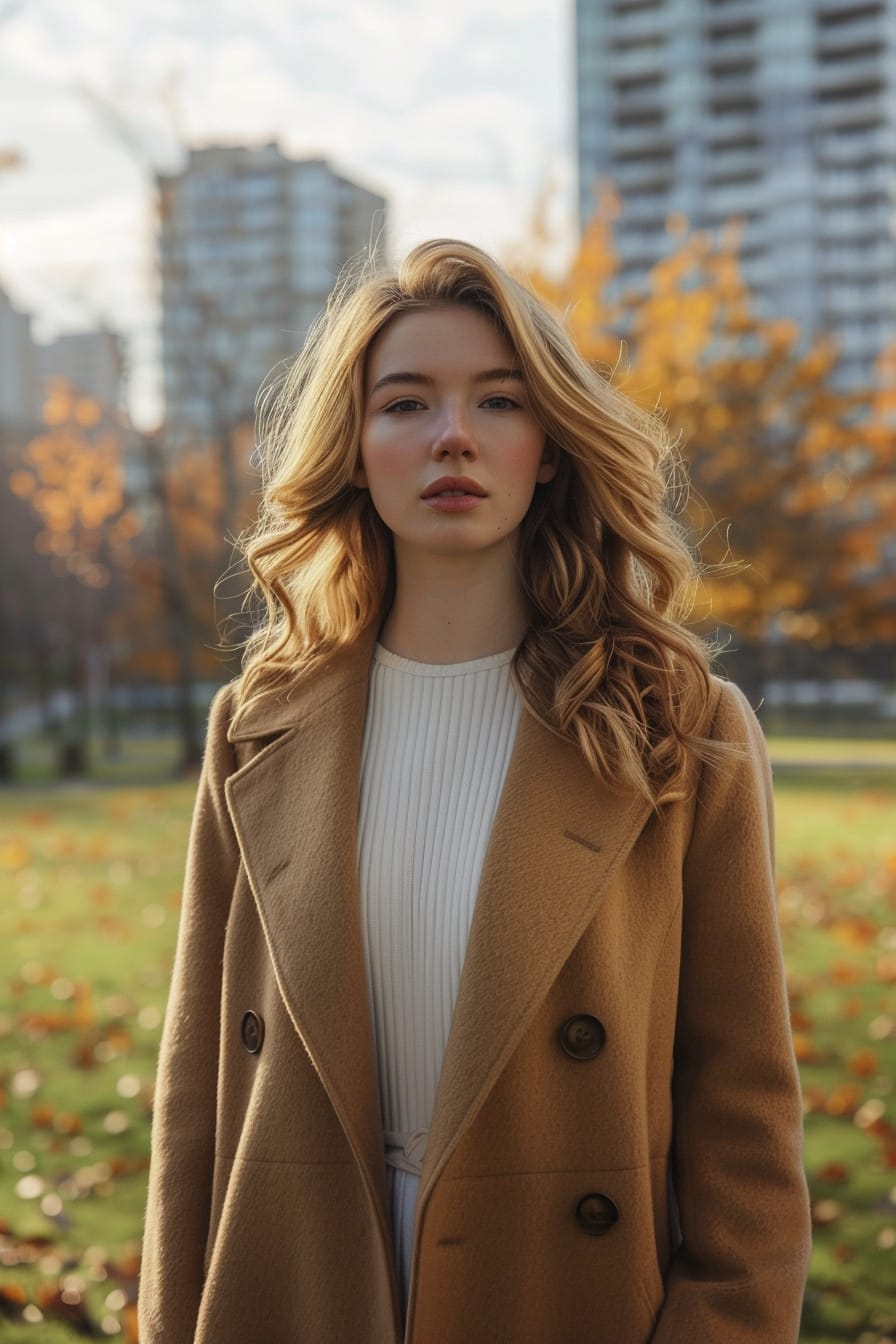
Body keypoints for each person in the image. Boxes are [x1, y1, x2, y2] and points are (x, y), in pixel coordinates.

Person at [138, 239, 811, 1344]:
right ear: (354, 450)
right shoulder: (254, 728)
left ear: (546, 447)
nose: (452, 434)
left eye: (497, 401)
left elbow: (742, 1105)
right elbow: (194, 1100)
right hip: (296, 1285)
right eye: (405, 403)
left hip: (558, 1296)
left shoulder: (678, 730)